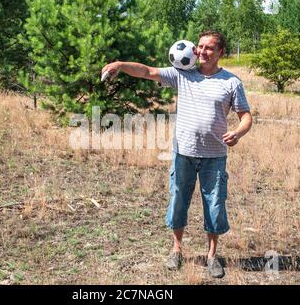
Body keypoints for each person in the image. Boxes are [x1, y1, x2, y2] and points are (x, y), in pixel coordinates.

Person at [101, 31, 252, 279]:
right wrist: (120, 65)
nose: (202, 51)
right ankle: (176, 250)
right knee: (178, 200)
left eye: (209, 48)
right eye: (200, 46)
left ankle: (212, 255)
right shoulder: (183, 74)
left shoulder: (231, 82)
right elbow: (148, 71)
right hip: (183, 153)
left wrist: (238, 132)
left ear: (221, 52)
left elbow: (245, 115)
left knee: (214, 205)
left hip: (214, 156)